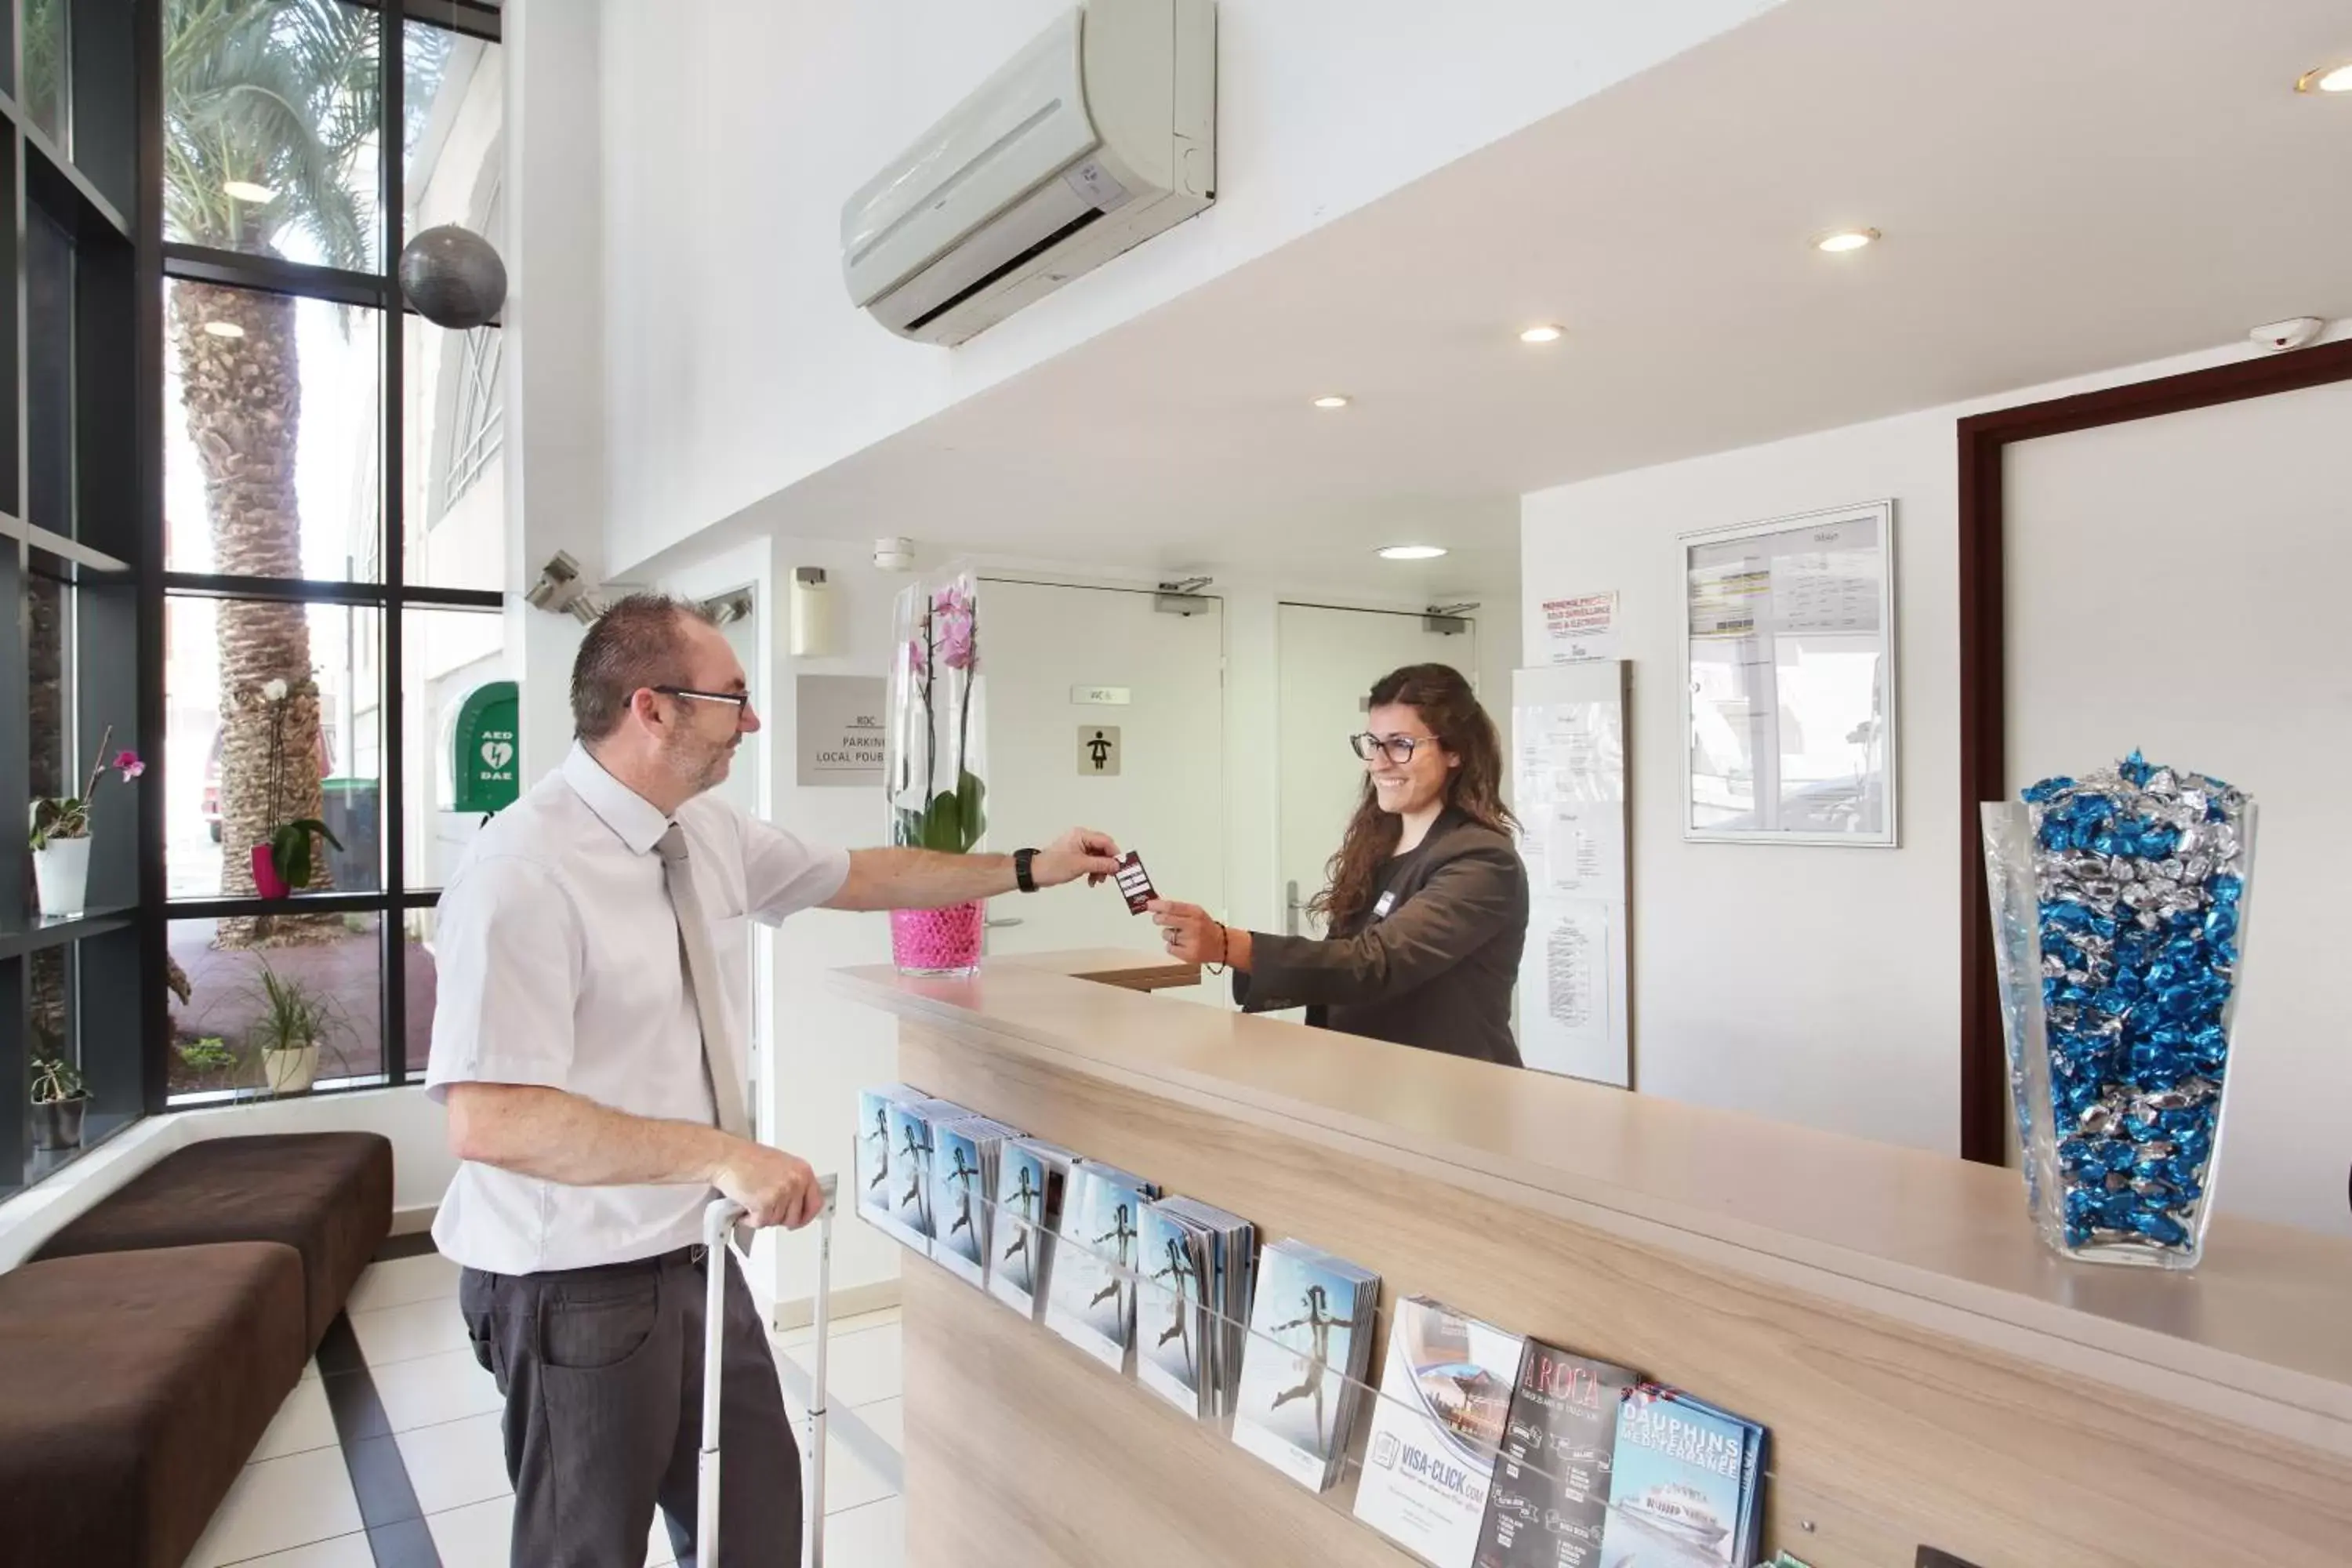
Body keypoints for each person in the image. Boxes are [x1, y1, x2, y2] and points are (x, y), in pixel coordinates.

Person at [426, 592, 1120, 1567]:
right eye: (734, 697)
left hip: (696, 1256)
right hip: (570, 1283)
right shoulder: (522, 871)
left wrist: (1027, 868)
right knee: (583, 1548)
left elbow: (869, 875)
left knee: (755, 1520)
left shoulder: (703, 831)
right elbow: (492, 1119)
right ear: (651, 708)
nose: (752, 720)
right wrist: (723, 1155)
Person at [1151, 663, 1528, 1066]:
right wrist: (1227, 949)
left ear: (1456, 751)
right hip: (1369, 1081)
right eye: (1373, 743)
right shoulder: (1381, 844)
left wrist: (1230, 944)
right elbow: (1340, 960)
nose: (1379, 763)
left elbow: (1375, 964)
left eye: (1401, 744)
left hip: (1450, 1092)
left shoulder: (1483, 861)